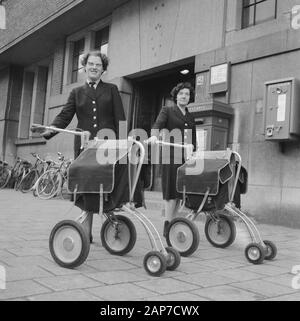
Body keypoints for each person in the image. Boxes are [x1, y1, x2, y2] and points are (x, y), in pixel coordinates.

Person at [39, 50, 126, 243]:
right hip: (85, 148)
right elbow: (65, 116)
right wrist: (49, 130)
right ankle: (86, 234)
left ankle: (111, 222)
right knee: (87, 189)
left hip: (107, 147)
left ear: (103, 70)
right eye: (91, 64)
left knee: (105, 187)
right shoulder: (76, 92)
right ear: (85, 67)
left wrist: (122, 145)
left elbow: (120, 118)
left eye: (98, 65)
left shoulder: (111, 89)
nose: (94, 67)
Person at [146, 82, 196, 237]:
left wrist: (195, 151)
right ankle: (168, 225)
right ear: (176, 95)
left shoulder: (190, 115)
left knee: (179, 192)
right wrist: (154, 135)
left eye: (187, 94)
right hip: (170, 156)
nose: (184, 96)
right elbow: (158, 124)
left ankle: (173, 224)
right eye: (181, 93)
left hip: (185, 158)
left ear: (190, 97)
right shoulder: (167, 110)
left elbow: (193, 138)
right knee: (170, 192)